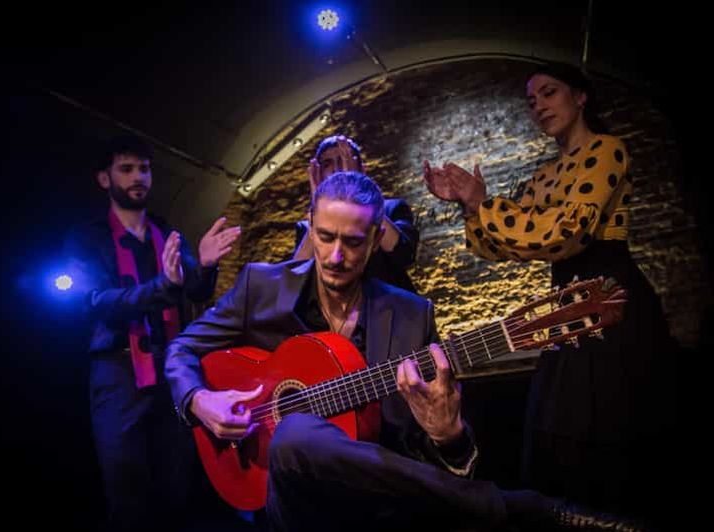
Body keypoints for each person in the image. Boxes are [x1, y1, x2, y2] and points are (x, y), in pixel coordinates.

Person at [166, 171, 641, 531]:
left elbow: (426, 454)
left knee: (303, 436)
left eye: (352, 242)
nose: (335, 257)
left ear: (376, 239)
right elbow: (183, 350)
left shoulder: (411, 315)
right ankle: (517, 508)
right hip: (283, 492)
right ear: (309, 227)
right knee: (292, 434)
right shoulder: (259, 287)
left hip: (374, 505)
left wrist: (447, 434)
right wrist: (198, 401)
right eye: (325, 237)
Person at [422, 62, 677, 525]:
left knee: (613, 426)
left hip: (609, 298)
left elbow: (564, 233)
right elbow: (504, 241)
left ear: (581, 97)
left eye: (549, 92)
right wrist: (470, 204)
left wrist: (484, 204)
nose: (538, 104)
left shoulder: (607, 150)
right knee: (559, 424)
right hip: (565, 303)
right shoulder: (544, 174)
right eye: (532, 99)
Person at [64, 134, 239, 531]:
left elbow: (191, 289)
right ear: (104, 179)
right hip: (118, 377)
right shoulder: (88, 239)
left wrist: (206, 265)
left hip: (171, 372)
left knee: (179, 487)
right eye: (126, 169)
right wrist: (165, 285)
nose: (138, 177)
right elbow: (97, 302)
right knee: (128, 493)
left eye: (144, 168)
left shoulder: (165, 230)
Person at [293, 135, 419, 292]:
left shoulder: (390, 209)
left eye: (342, 160)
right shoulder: (307, 226)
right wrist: (318, 211)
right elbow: (294, 280)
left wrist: (360, 193)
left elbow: (405, 255)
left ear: (362, 170)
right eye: (328, 164)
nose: (336, 169)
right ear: (318, 175)